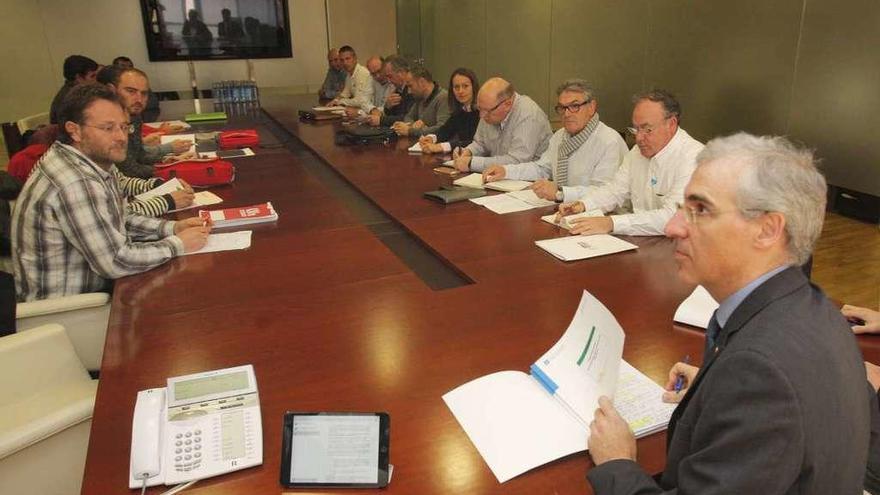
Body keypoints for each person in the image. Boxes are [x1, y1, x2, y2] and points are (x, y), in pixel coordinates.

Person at [586, 132, 871, 494]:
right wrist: (715, 385)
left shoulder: (760, 374)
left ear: (768, 230)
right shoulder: (813, 308)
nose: (674, 228)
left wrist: (617, 463)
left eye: (700, 210)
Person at [12, 84, 210, 302]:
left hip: (97, 291)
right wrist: (178, 244)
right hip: (70, 311)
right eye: (108, 128)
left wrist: (172, 227)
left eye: (124, 127)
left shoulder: (92, 160)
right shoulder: (75, 182)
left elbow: (120, 217)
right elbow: (115, 262)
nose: (121, 137)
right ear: (75, 130)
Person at [556, 90, 703, 236]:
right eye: (636, 129)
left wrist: (612, 223)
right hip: (647, 242)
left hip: (685, 247)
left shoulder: (694, 158)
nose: (639, 138)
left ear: (671, 124)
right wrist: (583, 205)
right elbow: (615, 190)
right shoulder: (637, 152)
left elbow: (675, 217)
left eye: (647, 129)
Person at [482, 79, 626, 202]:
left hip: (602, 218)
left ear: (592, 107)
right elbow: (542, 168)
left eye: (574, 106)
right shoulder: (560, 136)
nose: (567, 114)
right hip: (565, 210)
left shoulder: (609, 141)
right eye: (562, 108)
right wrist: (505, 171)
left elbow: (604, 193)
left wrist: (560, 192)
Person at [105, 68, 192, 178]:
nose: (139, 99)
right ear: (112, 90)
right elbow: (129, 170)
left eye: (144, 93)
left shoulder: (134, 116)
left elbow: (140, 155)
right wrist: (172, 169)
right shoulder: (106, 124)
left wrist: (171, 161)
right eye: (131, 91)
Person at [452, 77, 552, 173]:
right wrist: (468, 151)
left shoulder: (528, 115)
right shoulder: (488, 108)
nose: (481, 116)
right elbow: (481, 143)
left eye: (487, 111)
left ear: (507, 104)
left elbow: (517, 161)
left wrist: (471, 163)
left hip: (532, 182)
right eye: (479, 108)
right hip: (499, 178)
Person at [418, 67, 480, 153]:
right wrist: (432, 138)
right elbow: (446, 130)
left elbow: (476, 143)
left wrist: (441, 147)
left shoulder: (483, 112)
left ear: (474, 87)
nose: (460, 91)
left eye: (465, 86)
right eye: (456, 87)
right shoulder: (460, 110)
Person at [390, 65, 449, 137]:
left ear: (422, 82)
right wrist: (413, 125)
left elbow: (442, 129)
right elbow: (408, 117)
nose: (409, 91)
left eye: (410, 86)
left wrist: (411, 131)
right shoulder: (420, 98)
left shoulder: (444, 98)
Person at [49, 55, 99, 124]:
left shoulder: (78, 91)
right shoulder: (71, 98)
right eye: (92, 76)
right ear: (78, 78)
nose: (96, 80)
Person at [368, 55, 414, 127]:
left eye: (390, 76)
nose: (389, 81)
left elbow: (409, 118)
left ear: (401, 73)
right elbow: (394, 115)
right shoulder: (398, 89)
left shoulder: (413, 88)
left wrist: (381, 120)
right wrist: (387, 107)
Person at [111, 56, 160, 122]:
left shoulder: (141, 83)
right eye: (131, 91)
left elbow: (153, 105)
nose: (127, 68)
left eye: (130, 66)